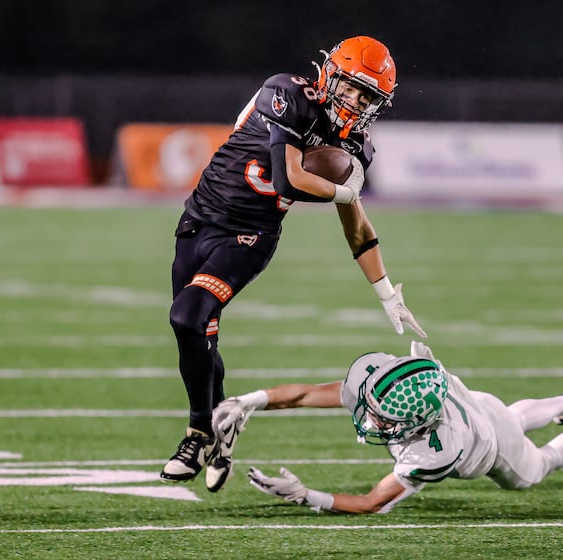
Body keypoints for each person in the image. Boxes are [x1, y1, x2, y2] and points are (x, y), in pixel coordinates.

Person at [160, 36, 426, 493]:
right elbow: (288, 176)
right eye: (352, 88)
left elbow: (356, 228)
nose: (356, 102)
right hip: (200, 218)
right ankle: (221, 433)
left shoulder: (354, 144)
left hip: (251, 236)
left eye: (368, 97)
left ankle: (199, 432)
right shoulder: (286, 93)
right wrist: (346, 191)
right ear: (331, 74)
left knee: (188, 315)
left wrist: (386, 292)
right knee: (199, 332)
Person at [212, 341, 563, 514]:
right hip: (478, 405)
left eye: (382, 416)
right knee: (510, 413)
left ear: (414, 421)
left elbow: (372, 502)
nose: (371, 415)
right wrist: (247, 401)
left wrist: (309, 497)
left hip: (491, 448)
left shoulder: (435, 450)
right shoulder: (390, 388)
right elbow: (303, 395)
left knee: (541, 463)